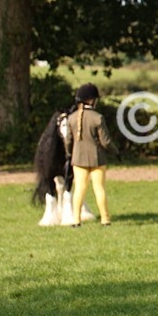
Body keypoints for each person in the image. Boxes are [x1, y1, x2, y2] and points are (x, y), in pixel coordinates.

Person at [64, 82, 117, 227]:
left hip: (78, 158)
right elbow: (105, 141)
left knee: (79, 188)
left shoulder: (72, 118)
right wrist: (115, 151)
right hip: (97, 158)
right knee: (99, 188)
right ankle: (105, 219)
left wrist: (70, 153)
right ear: (92, 100)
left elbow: (68, 141)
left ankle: (76, 220)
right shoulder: (98, 117)